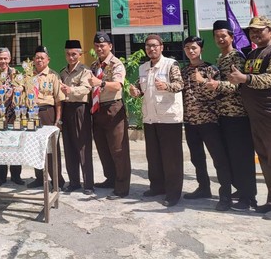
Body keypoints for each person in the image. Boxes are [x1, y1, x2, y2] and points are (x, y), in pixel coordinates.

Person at [227, 16, 271, 220]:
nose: (255, 34)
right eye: (252, 31)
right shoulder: (253, 53)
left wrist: (245, 78)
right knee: (266, 161)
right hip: (257, 116)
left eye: (260, 30)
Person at [200, 20, 257, 211]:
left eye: (224, 35)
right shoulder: (221, 57)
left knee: (242, 157)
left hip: (238, 114)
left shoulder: (236, 57)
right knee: (231, 156)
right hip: (223, 114)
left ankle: (248, 197)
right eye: (217, 36)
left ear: (232, 37)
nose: (220, 38)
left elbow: (236, 85)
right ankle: (240, 189)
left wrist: (217, 85)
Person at [129, 34, 184, 207]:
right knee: (153, 156)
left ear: (161, 47)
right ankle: (157, 187)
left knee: (171, 158)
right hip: (150, 117)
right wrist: (135, 91)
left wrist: (166, 86)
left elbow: (180, 84)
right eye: (148, 46)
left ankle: (173, 193)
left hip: (168, 118)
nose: (151, 49)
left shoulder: (170, 64)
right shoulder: (143, 67)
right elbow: (140, 88)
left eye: (154, 46)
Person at [180, 36, 232, 211]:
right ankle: (203, 188)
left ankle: (225, 195)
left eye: (194, 47)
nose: (191, 51)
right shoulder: (183, 71)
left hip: (209, 120)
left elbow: (216, 95)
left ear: (200, 49)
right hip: (190, 121)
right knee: (197, 158)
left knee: (219, 159)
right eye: (187, 48)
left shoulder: (211, 69)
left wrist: (202, 82)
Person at [88, 31, 131, 198]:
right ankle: (110, 178)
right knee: (103, 147)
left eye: (102, 45)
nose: (99, 48)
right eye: (97, 46)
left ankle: (121, 188)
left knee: (118, 149)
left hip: (113, 108)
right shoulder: (94, 66)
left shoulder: (116, 64)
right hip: (98, 109)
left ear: (110, 46)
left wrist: (101, 82)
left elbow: (118, 85)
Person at [27, 45, 66, 189]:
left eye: (42, 58)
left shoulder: (53, 76)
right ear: (33, 60)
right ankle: (39, 178)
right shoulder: (28, 76)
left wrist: (58, 119)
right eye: (37, 58)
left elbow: (58, 100)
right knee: (35, 147)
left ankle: (57, 180)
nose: (39, 60)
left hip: (48, 113)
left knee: (51, 149)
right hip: (32, 113)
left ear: (48, 60)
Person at [59, 40, 94, 195]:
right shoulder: (62, 72)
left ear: (80, 54)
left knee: (83, 147)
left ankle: (88, 184)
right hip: (67, 109)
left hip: (80, 109)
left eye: (74, 54)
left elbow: (87, 89)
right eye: (68, 54)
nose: (71, 57)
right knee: (69, 147)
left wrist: (70, 90)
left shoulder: (85, 71)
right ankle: (74, 182)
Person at [0, 47, 25, 186]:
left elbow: (23, 87)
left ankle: (16, 175)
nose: (3, 61)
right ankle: (0, 177)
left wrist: (20, 88)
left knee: (15, 144)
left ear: (10, 59)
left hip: (13, 114)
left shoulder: (16, 73)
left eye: (5, 58)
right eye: (0, 59)